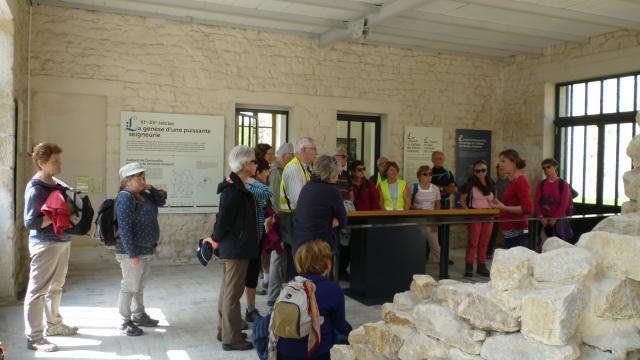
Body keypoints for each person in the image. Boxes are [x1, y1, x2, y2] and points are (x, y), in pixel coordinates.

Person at [23, 143, 77, 352]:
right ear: (41, 163)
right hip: (45, 243)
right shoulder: (36, 188)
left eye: (58, 160)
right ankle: (34, 337)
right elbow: (30, 222)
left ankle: (54, 326)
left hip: (62, 241)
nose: (59, 164)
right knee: (38, 291)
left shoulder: (55, 183)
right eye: (54, 161)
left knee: (57, 286)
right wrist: (56, 213)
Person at [203, 145, 258, 351]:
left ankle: (224, 329)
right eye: (253, 161)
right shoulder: (234, 191)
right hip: (236, 248)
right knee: (233, 293)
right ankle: (231, 338)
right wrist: (215, 239)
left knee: (227, 291)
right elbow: (223, 220)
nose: (256, 165)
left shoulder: (238, 187)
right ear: (244, 165)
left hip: (236, 246)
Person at [115, 162, 166, 336]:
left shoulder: (145, 194)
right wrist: (132, 253)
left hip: (146, 249)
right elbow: (124, 228)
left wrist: (149, 187)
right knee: (129, 286)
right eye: (139, 178)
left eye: (144, 177)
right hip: (131, 251)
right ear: (127, 181)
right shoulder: (125, 197)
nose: (143, 181)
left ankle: (139, 314)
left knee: (139, 286)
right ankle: (125, 320)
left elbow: (162, 201)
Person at [276, 240, 350, 360]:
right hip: (315, 353)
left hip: (283, 352)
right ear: (326, 264)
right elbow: (340, 327)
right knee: (339, 334)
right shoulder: (333, 289)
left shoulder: (290, 285)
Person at [280, 137, 317, 281]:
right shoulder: (295, 168)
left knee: (300, 255)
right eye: (313, 149)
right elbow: (298, 200)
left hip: (298, 216)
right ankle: (296, 291)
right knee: (297, 256)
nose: (316, 152)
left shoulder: (305, 168)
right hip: (293, 217)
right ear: (303, 151)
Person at [294, 155, 347, 255]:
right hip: (319, 248)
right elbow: (343, 220)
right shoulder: (331, 191)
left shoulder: (307, 187)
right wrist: (335, 220)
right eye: (337, 173)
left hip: (301, 246)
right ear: (330, 174)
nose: (338, 176)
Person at [244, 158, 273, 321]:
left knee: (252, 275)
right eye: (266, 170)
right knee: (244, 277)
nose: (268, 173)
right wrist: (249, 178)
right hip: (248, 238)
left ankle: (250, 309)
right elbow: (268, 192)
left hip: (257, 235)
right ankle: (243, 311)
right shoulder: (250, 186)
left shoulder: (251, 186)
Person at [267, 142, 294, 308]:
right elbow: (277, 200)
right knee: (277, 258)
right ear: (284, 156)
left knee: (280, 259)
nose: (292, 160)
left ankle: (277, 294)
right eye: (291, 156)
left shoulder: (281, 170)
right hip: (280, 221)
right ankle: (273, 297)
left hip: (282, 220)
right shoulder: (277, 172)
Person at [491, 149, 532, 249]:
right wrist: (499, 204)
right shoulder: (513, 181)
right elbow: (512, 204)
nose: (500, 164)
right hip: (511, 230)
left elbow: (527, 209)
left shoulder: (520, 181)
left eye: (503, 161)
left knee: (516, 263)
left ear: (513, 162)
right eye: (500, 161)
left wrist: (503, 207)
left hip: (517, 231)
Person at [460, 160, 495, 277]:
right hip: (474, 215)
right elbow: (462, 200)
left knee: (484, 242)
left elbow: (494, 199)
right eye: (478, 171)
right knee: (473, 242)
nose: (481, 173)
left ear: (486, 170)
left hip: (488, 215)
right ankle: (469, 265)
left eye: (483, 170)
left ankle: (481, 265)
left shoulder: (491, 183)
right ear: (474, 171)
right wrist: (468, 212)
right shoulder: (470, 184)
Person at [534, 158, 574, 246]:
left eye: (548, 167)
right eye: (544, 168)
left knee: (558, 245)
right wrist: (541, 217)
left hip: (558, 220)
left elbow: (564, 203)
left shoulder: (563, 184)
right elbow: (537, 202)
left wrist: (555, 218)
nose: (546, 170)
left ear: (555, 167)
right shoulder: (541, 184)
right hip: (544, 219)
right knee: (544, 245)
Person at [410, 165, 441, 264]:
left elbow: (437, 204)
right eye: (425, 174)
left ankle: (438, 264)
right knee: (416, 242)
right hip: (417, 218)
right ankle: (415, 261)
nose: (428, 176)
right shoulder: (413, 187)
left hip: (430, 218)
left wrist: (434, 219)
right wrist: (416, 209)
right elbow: (408, 203)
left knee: (434, 244)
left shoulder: (435, 188)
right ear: (419, 176)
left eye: (430, 174)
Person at [487, 164, 509, 258]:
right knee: (493, 232)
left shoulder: (511, 182)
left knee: (509, 233)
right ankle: (489, 252)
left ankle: (510, 251)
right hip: (496, 210)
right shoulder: (493, 181)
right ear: (497, 170)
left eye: (504, 169)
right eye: (500, 169)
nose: (502, 171)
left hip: (508, 210)